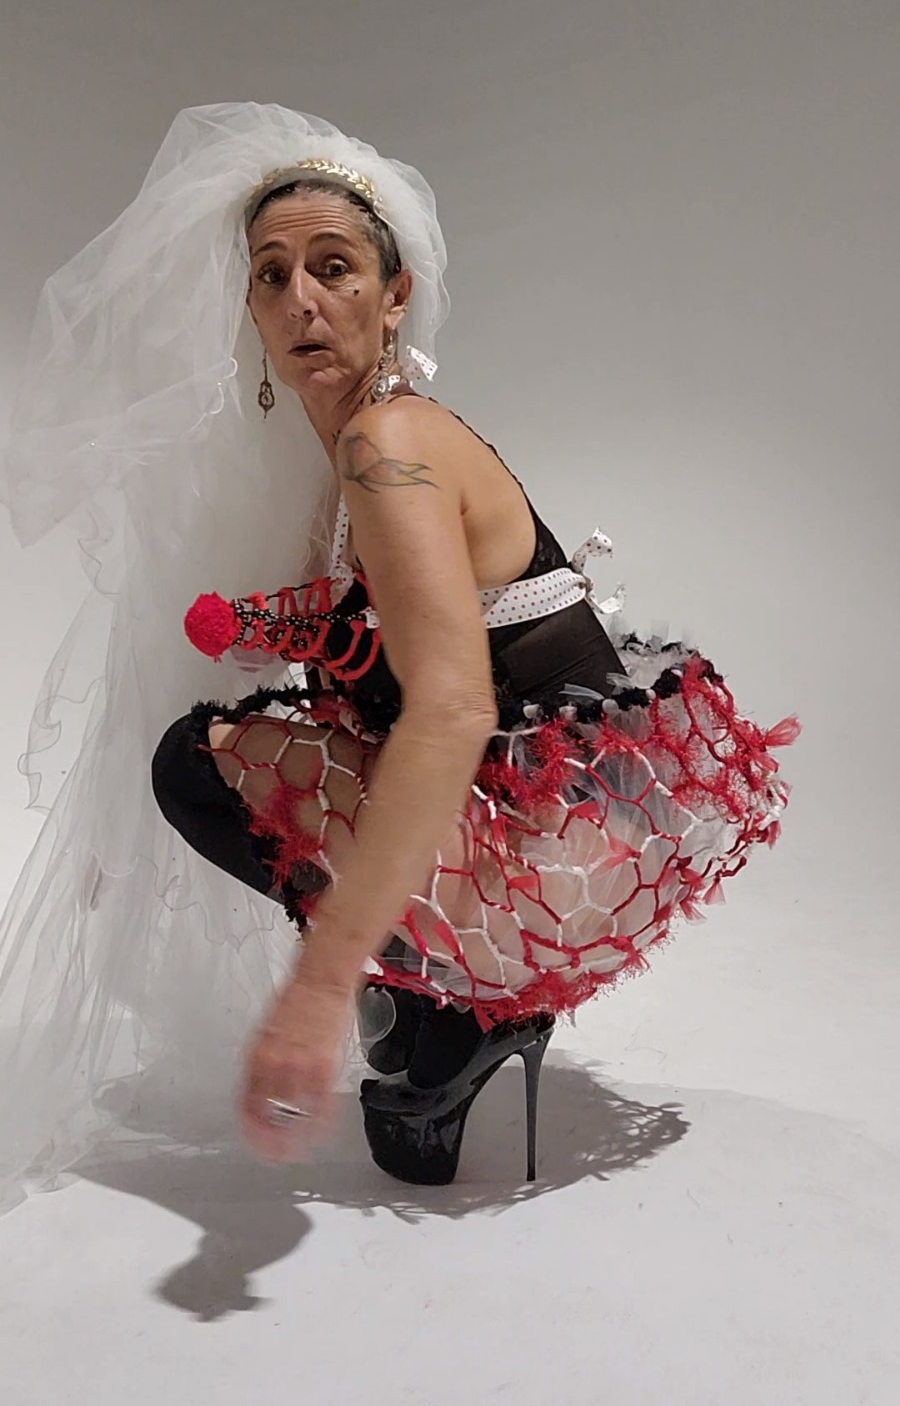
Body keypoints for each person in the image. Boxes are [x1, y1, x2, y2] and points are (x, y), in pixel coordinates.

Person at [0, 104, 799, 1208]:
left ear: (394, 295)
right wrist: (263, 628)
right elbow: (369, 641)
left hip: (558, 850)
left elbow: (453, 709)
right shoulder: (357, 461)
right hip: (580, 840)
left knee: (196, 761)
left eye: (333, 268)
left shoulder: (391, 443)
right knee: (282, 733)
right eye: (271, 276)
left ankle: (446, 997)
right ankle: (449, 1006)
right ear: (250, 310)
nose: (301, 299)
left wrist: (318, 986)